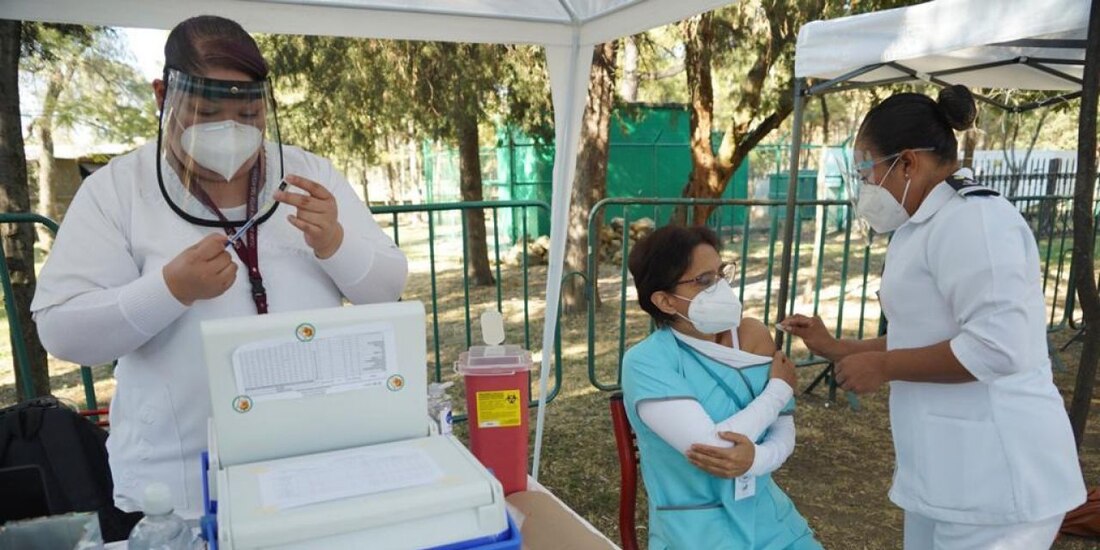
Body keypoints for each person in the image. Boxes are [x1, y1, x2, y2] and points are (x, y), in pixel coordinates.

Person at [30, 15, 408, 525]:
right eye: (207, 113)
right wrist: (167, 290)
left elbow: (387, 291)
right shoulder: (118, 190)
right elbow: (61, 328)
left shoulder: (310, 174)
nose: (231, 131)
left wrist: (336, 243)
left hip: (314, 465)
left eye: (249, 113)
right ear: (163, 94)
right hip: (180, 486)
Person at [781, 85, 1085, 549]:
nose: (863, 185)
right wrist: (841, 348)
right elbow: (925, 334)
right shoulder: (922, 221)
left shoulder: (976, 222)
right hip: (947, 472)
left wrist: (881, 367)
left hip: (1000, 479)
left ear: (907, 162)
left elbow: (996, 348)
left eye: (867, 169)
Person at [621, 225, 821, 549]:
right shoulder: (647, 362)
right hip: (697, 532)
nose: (722, 287)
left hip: (770, 521)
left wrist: (756, 460)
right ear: (665, 301)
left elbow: (783, 429)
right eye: (704, 281)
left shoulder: (752, 335)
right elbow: (715, 450)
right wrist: (778, 391)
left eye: (722, 273)